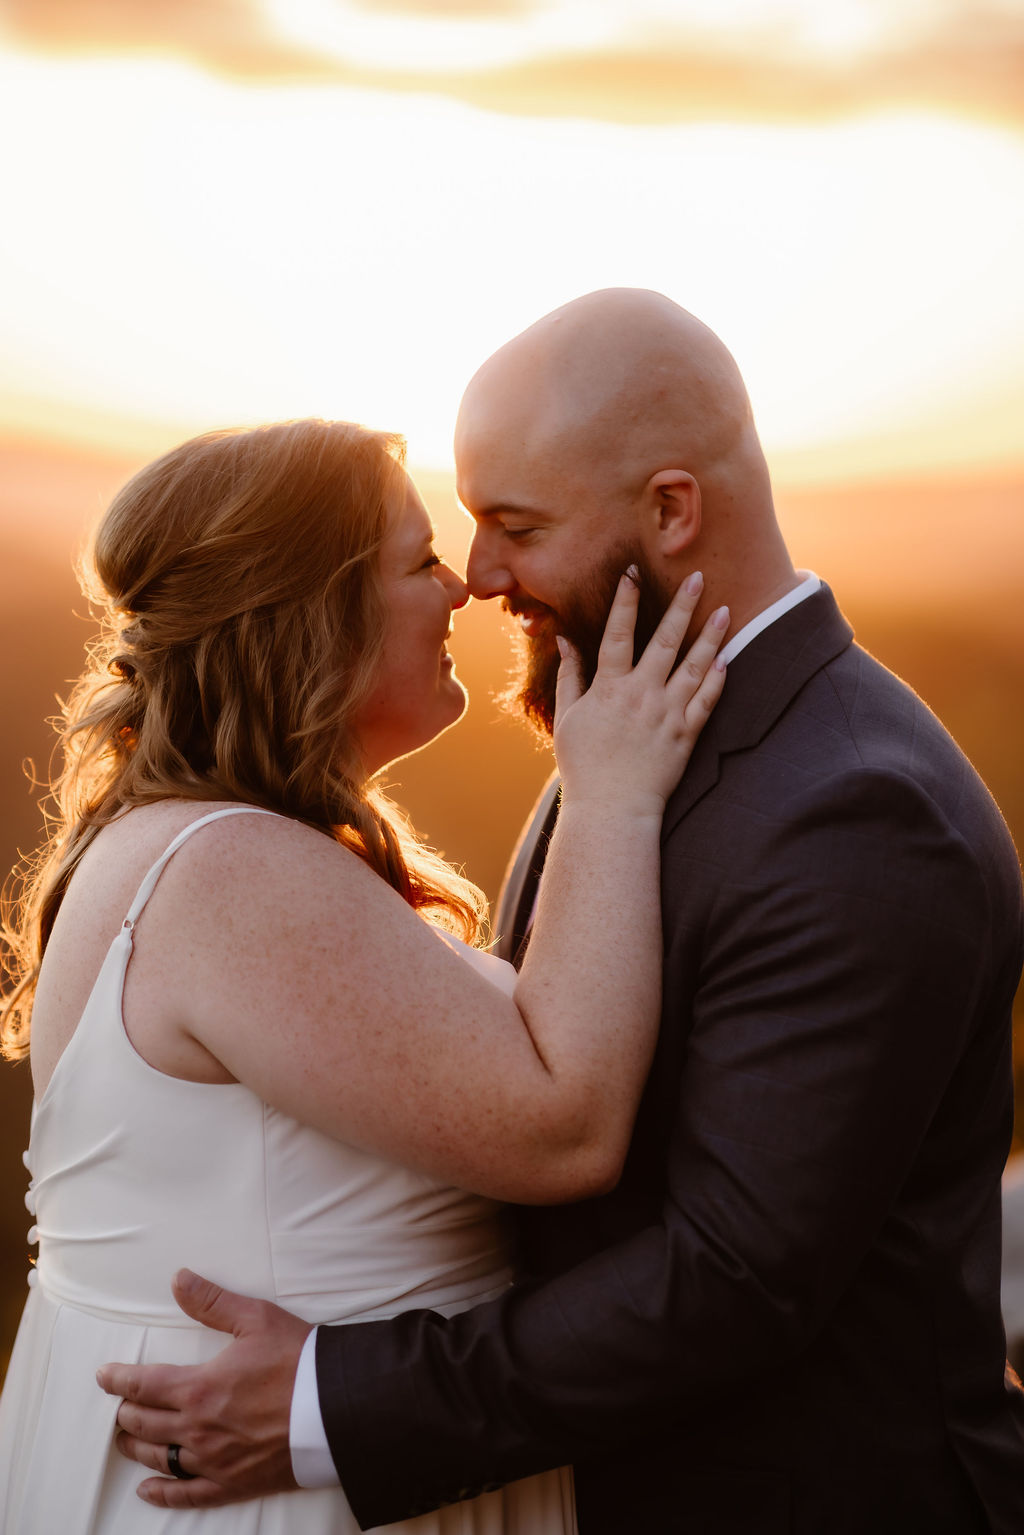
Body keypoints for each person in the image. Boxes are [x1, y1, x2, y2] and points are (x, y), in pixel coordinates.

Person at [103, 292, 1024, 1535]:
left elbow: (734, 1275)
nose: (480, 579)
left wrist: (332, 1402)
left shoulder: (854, 808)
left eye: (515, 526)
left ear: (670, 509)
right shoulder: (626, 719)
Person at [0, 414, 729, 1534]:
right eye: (416, 559)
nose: (461, 588)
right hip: (283, 1498)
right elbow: (564, 1127)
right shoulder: (231, 873)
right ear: (309, 610)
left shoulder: (210, 845)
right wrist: (613, 792)